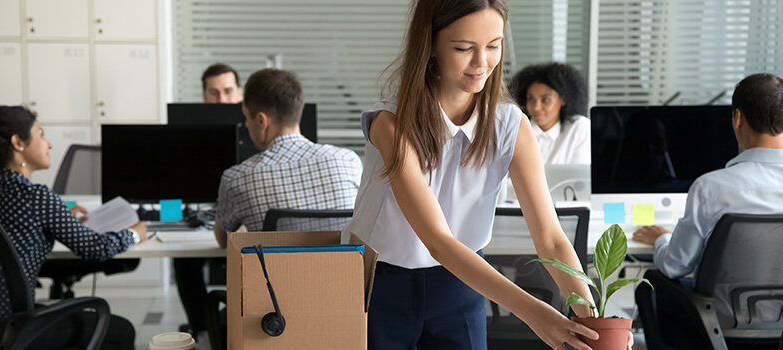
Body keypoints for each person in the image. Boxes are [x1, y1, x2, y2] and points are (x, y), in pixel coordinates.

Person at [342, 1, 611, 349]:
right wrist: (536, 314)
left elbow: (551, 238)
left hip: (463, 282)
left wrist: (591, 320)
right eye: (463, 48)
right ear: (430, 47)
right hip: (380, 284)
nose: (481, 62)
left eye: (493, 45)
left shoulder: (511, 126)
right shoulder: (390, 124)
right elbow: (438, 241)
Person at [0, 105, 148, 350]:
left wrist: (61, 216)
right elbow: (94, 248)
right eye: (41, 134)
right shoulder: (35, 196)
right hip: (13, 325)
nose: (48, 144)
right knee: (121, 331)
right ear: (18, 142)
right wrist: (135, 233)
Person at [632, 73, 783, 280]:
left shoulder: (709, 188)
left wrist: (663, 238)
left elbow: (676, 266)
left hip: (724, 310)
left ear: (738, 118)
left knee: (649, 284)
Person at [213, 68, 362, 246]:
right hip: (343, 273)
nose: (245, 124)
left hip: (274, 274)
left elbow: (223, 241)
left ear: (261, 121)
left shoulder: (237, 178)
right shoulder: (348, 161)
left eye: (246, 117)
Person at [173, 62, 244, 339]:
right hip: (203, 213)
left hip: (244, 220)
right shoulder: (190, 129)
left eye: (228, 91)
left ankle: (236, 327)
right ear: (203, 95)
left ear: (239, 92)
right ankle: (203, 330)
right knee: (183, 259)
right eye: (214, 93)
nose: (222, 100)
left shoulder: (256, 125)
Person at [510, 62, 590, 164]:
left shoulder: (578, 128)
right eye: (531, 99)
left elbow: (580, 175)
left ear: (563, 99)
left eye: (545, 100)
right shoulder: (515, 130)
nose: (536, 107)